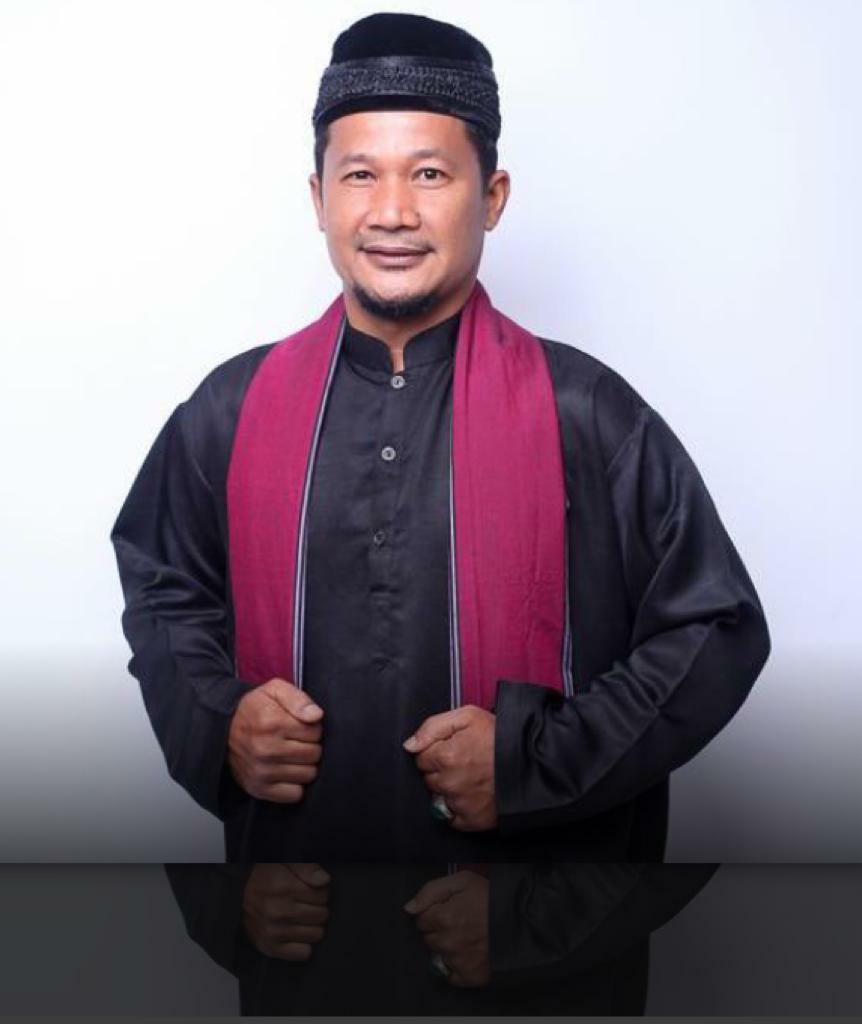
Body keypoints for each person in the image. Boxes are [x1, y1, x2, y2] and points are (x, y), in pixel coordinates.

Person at [110, 12, 771, 862]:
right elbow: (163, 590)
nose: (392, 212)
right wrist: (221, 722)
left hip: (528, 920)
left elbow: (715, 627)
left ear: (491, 197)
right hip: (300, 920)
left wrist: (534, 764)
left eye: (429, 173)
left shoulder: (586, 411)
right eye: (359, 175)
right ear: (318, 199)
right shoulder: (232, 408)